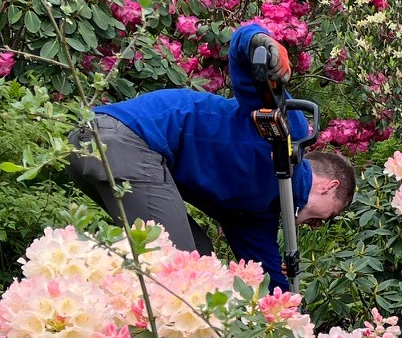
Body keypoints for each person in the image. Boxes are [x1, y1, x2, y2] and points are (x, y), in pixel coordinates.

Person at [66, 22, 355, 291]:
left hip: (98, 152)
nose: (316, 224)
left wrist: (291, 317)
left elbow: (267, 280)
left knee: (199, 256)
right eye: (327, 216)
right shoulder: (289, 133)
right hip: (122, 138)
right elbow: (245, 49)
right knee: (182, 275)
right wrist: (261, 44)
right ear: (328, 186)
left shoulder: (254, 213)